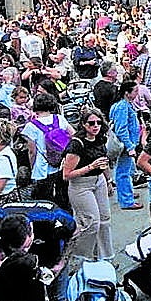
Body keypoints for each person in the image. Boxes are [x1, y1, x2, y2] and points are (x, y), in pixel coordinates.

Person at [60, 106, 113, 261]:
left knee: (104, 220)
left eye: (98, 123)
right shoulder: (77, 144)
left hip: (99, 181)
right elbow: (66, 175)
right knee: (91, 222)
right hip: (81, 185)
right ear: (83, 124)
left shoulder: (100, 138)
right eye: (91, 123)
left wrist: (109, 180)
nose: (95, 126)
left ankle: (104, 258)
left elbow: (104, 162)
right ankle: (83, 257)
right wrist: (91, 166)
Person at [22, 91, 71, 207]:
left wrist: (32, 167)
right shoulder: (59, 119)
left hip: (42, 167)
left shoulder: (31, 126)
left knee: (44, 200)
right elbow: (73, 135)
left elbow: (32, 151)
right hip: (62, 164)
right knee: (63, 196)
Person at [109, 79, 143, 211]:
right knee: (123, 172)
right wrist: (129, 146)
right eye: (135, 91)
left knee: (126, 170)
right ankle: (126, 200)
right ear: (127, 93)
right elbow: (121, 129)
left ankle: (127, 192)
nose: (137, 94)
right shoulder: (123, 107)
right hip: (125, 145)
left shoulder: (122, 105)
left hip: (127, 143)